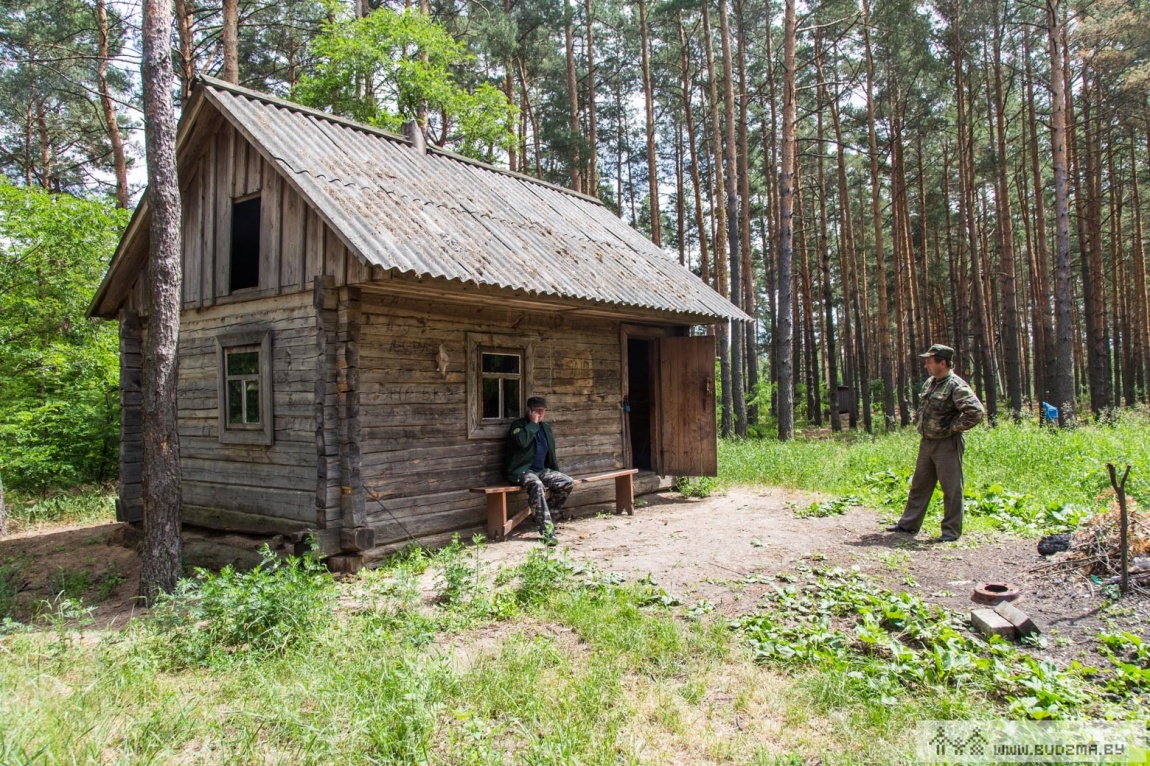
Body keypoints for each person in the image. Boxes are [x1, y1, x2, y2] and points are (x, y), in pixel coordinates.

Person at [887, 344, 985, 542]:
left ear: (943, 363)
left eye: (930, 361)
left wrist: (953, 428)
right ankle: (908, 524)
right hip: (928, 442)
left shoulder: (957, 386)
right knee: (919, 485)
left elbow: (976, 412)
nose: (926, 365)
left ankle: (951, 531)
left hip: (947, 444)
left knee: (951, 488)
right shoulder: (931, 383)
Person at [505, 396, 574, 545]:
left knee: (566, 482)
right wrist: (532, 424)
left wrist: (556, 471)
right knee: (537, 485)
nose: (540, 414)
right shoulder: (519, 426)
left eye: (543, 411)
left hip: (541, 470)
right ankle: (547, 532)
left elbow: (551, 452)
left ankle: (548, 516)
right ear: (529, 411)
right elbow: (522, 442)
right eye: (537, 411)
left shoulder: (546, 427)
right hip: (522, 470)